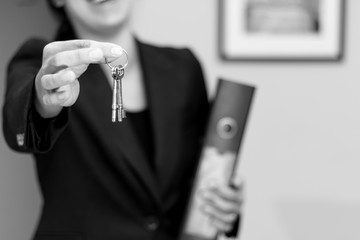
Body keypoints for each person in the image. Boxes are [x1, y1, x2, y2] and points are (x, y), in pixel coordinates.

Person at [2, 0, 244, 239]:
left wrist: (223, 200)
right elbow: (19, 126)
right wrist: (43, 96)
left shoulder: (184, 68)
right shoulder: (42, 63)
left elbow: (194, 178)